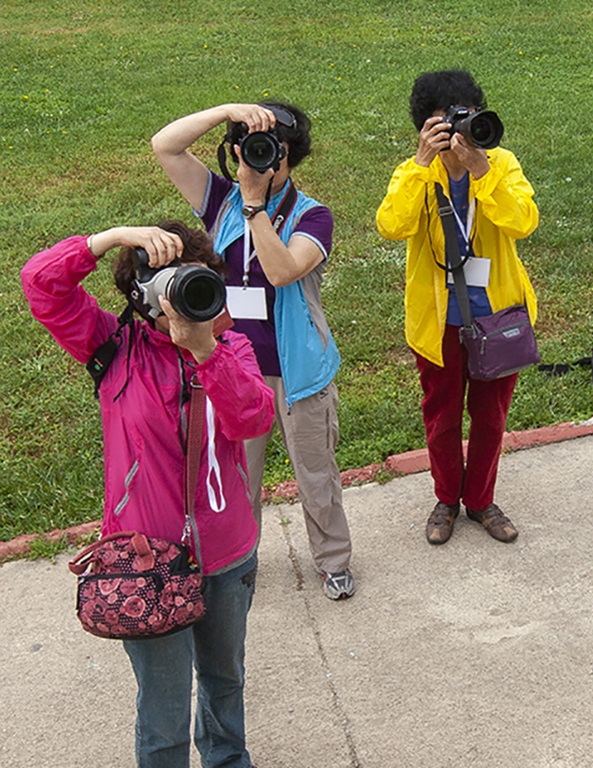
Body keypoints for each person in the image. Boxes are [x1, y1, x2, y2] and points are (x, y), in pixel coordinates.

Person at [23, 222, 275, 768]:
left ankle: (228, 761)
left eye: (200, 279)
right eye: (172, 283)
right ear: (141, 294)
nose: (187, 293)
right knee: (163, 712)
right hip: (145, 561)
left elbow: (253, 418)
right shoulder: (112, 346)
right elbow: (40, 283)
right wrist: (111, 237)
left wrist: (206, 351)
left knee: (225, 681)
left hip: (228, 553)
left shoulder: (230, 345)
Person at [152, 102, 356, 600]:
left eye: (272, 153)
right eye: (251, 150)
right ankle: (239, 564)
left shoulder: (313, 215)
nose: (262, 162)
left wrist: (255, 206)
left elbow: (282, 269)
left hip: (298, 370)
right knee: (238, 478)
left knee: (315, 476)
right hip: (235, 370)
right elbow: (166, 145)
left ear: (292, 157)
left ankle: (333, 561)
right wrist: (225, 112)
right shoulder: (219, 200)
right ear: (236, 151)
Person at [376, 69, 539, 545]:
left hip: (497, 316)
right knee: (442, 416)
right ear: (422, 128)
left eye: (463, 118)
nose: (455, 131)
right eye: (441, 123)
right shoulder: (416, 173)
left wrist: (483, 172)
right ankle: (447, 498)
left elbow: (523, 221)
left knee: (491, 418)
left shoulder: (501, 163)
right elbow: (391, 224)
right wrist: (422, 163)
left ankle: (481, 501)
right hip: (438, 319)